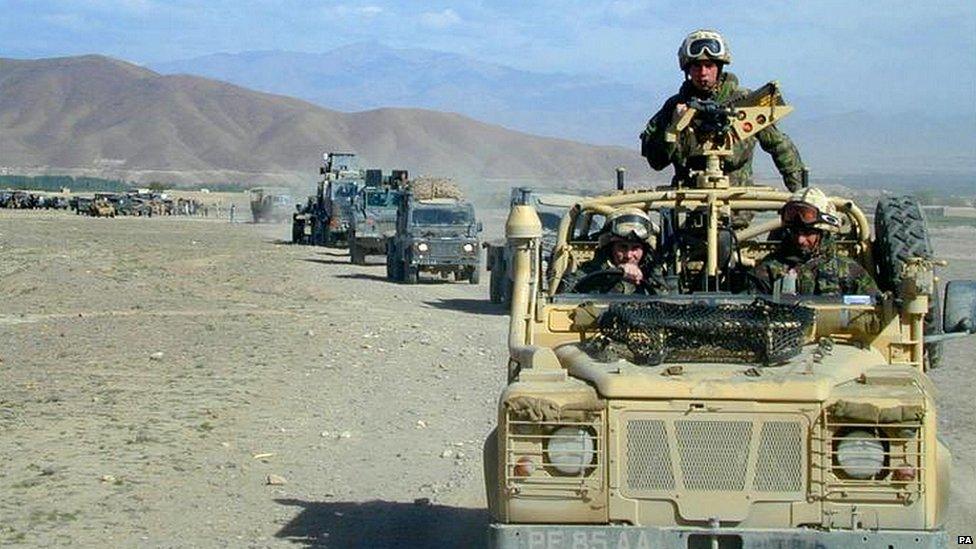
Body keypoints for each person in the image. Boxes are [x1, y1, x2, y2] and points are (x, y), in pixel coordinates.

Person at [640, 29, 805, 191]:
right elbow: (656, 161)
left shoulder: (746, 102)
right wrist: (672, 129)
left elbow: (779, 146)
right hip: (689, 203)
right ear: (688, 69)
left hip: (738, 205)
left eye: (709, 65)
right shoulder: (674, 107)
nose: (703, 73)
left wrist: (800, 192)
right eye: (697, 66)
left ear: (719, 67)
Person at [748, 188, 879, 296]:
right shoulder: (767, 270)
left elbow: (873, 314)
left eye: (807, 233)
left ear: (823, 233)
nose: (800, 240)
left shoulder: (849, 272)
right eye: (795, 232)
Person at [559, 209, 667, 294]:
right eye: (623, 247)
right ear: (610, 248)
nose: (629, 255)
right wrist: (614, 276)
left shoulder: (655, 273)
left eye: (635, 248)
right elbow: (563, 296)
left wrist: (653, 276)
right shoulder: (589, 272)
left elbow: (669, 304)